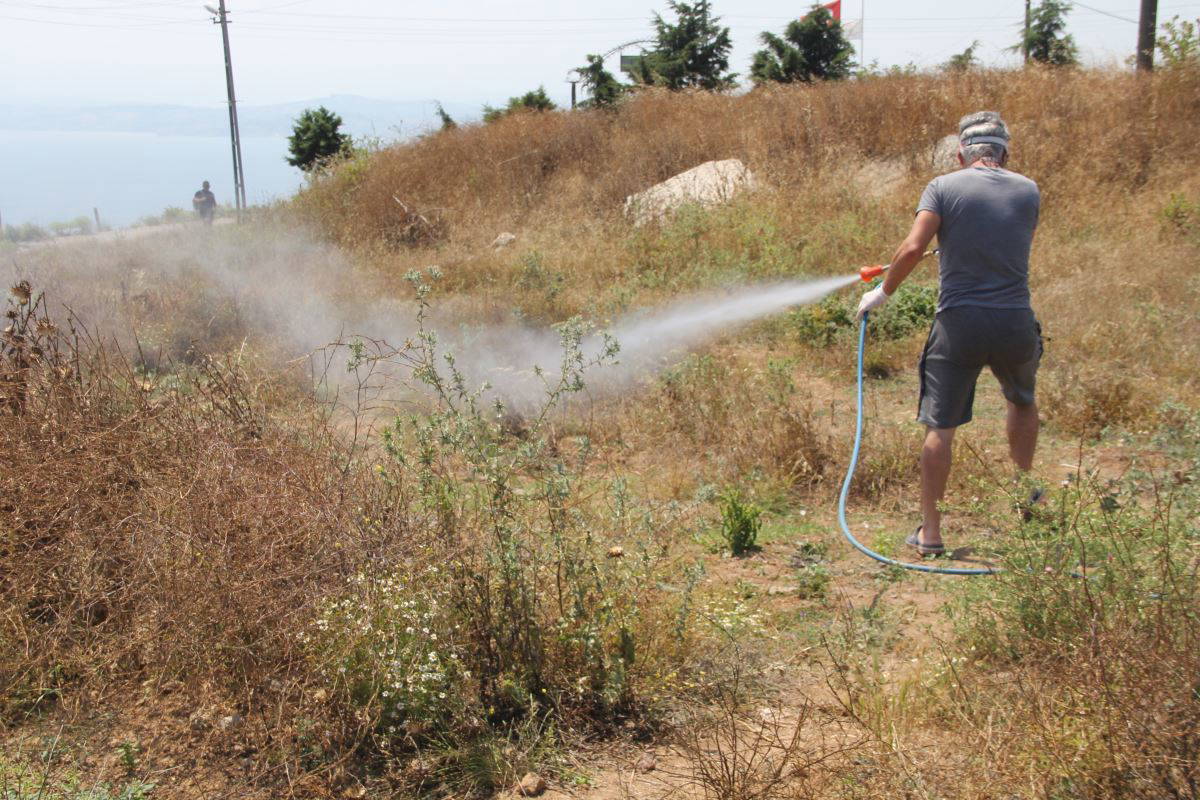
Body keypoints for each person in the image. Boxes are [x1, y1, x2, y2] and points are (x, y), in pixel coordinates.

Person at [855, 111, 1043, 557]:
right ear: (1005, 153)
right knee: (1023, 400)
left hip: (960, 322)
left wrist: (882, 292)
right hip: (1016, 319)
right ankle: (1026, 503)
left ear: (961, 154)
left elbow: (914, 247)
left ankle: (932, 535)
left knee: (941, 425)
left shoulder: (943, 186)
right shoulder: (1029, 189)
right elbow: (1003, 236)